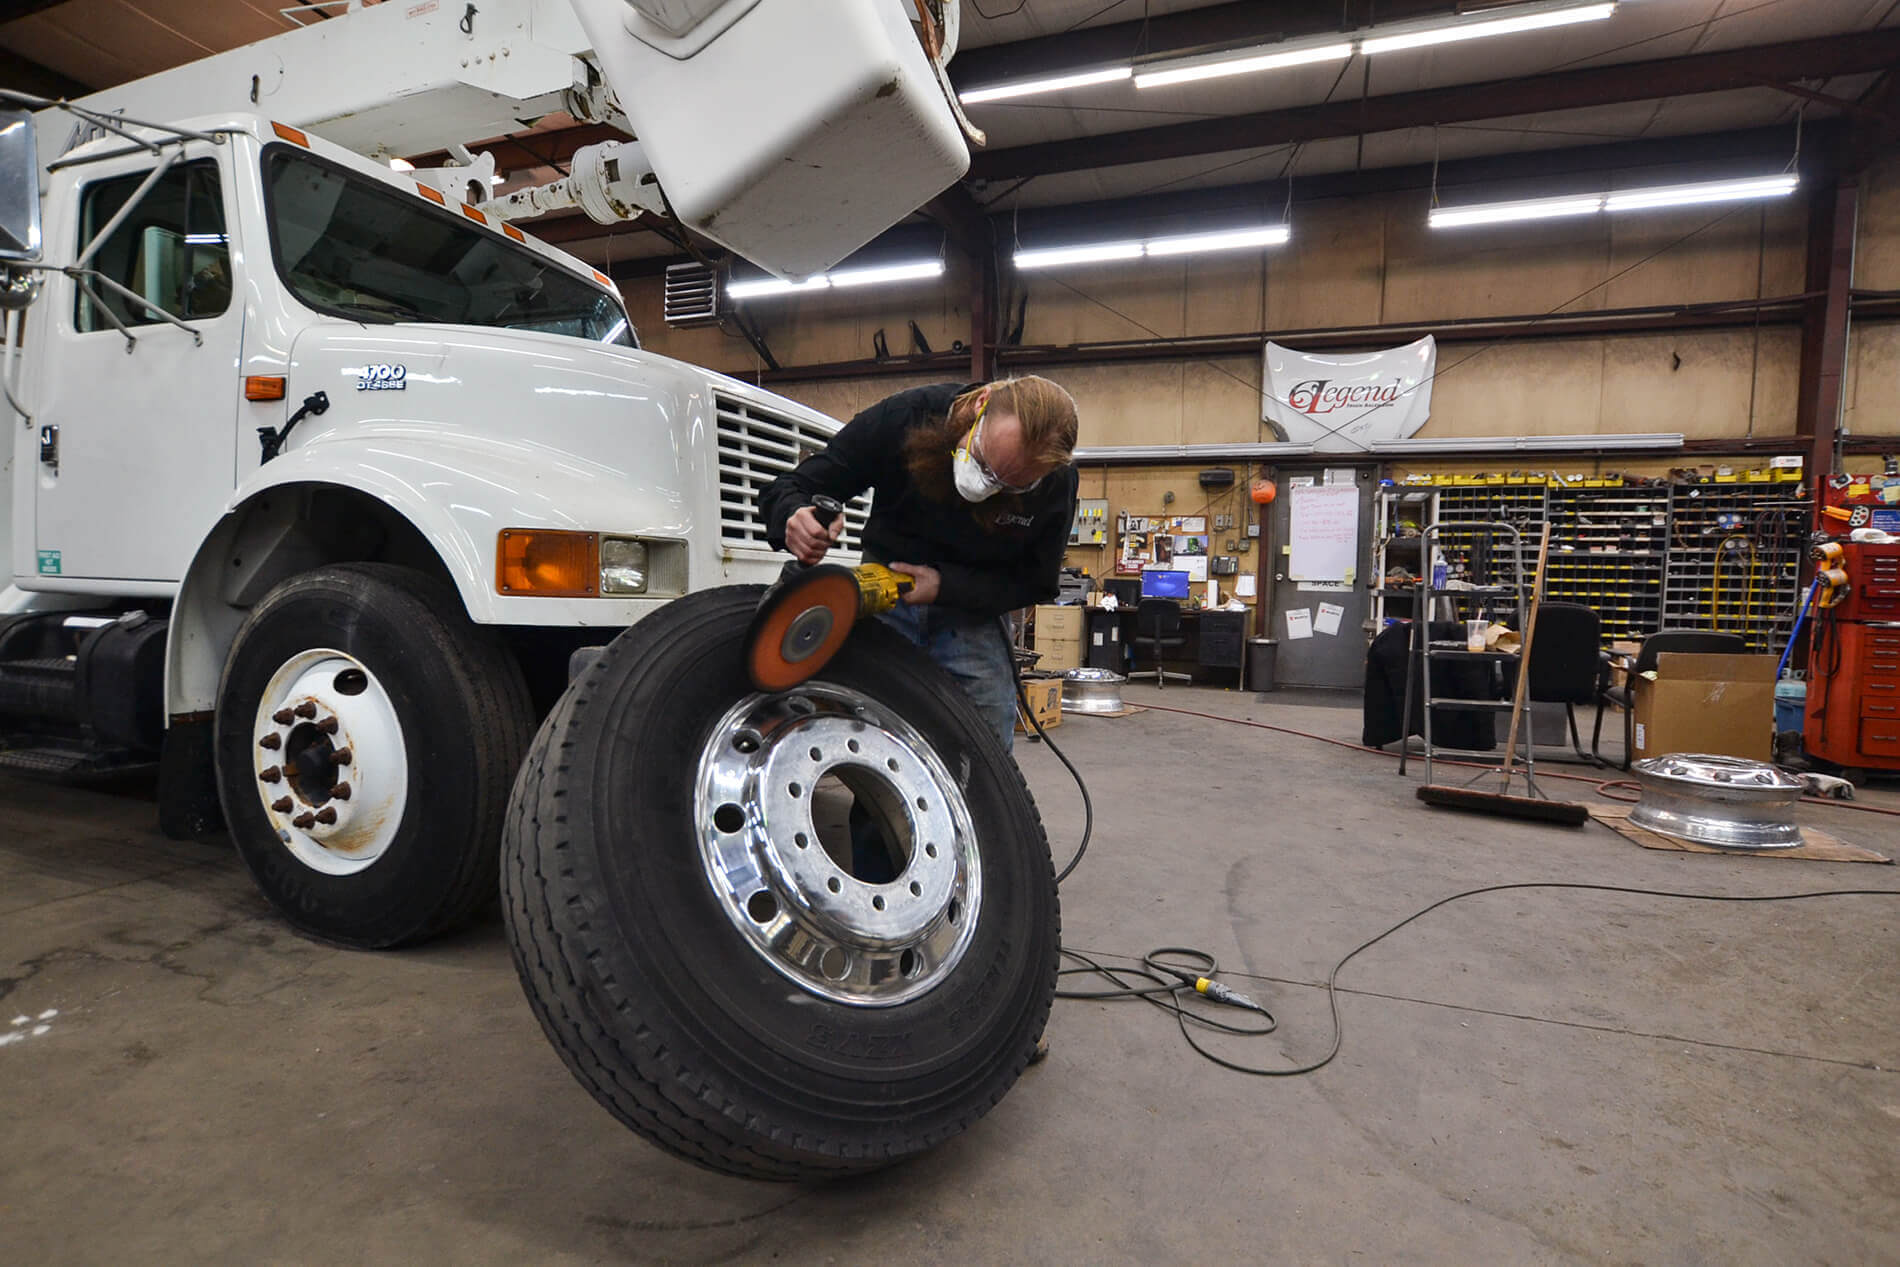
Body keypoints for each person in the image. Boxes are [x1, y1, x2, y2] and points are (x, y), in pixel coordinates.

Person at [761, 376, 1080, 753]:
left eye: (1011, 486)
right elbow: (791, 486)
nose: (987, 485)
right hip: (885, 592)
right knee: (872, 730)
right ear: (980, 406)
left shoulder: (1056, 482)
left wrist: (946, 586)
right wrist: (794, 515)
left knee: (987, 745)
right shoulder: (905, 417)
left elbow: (1036, 582)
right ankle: (873, 812)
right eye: (983, 463)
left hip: (972, 609)